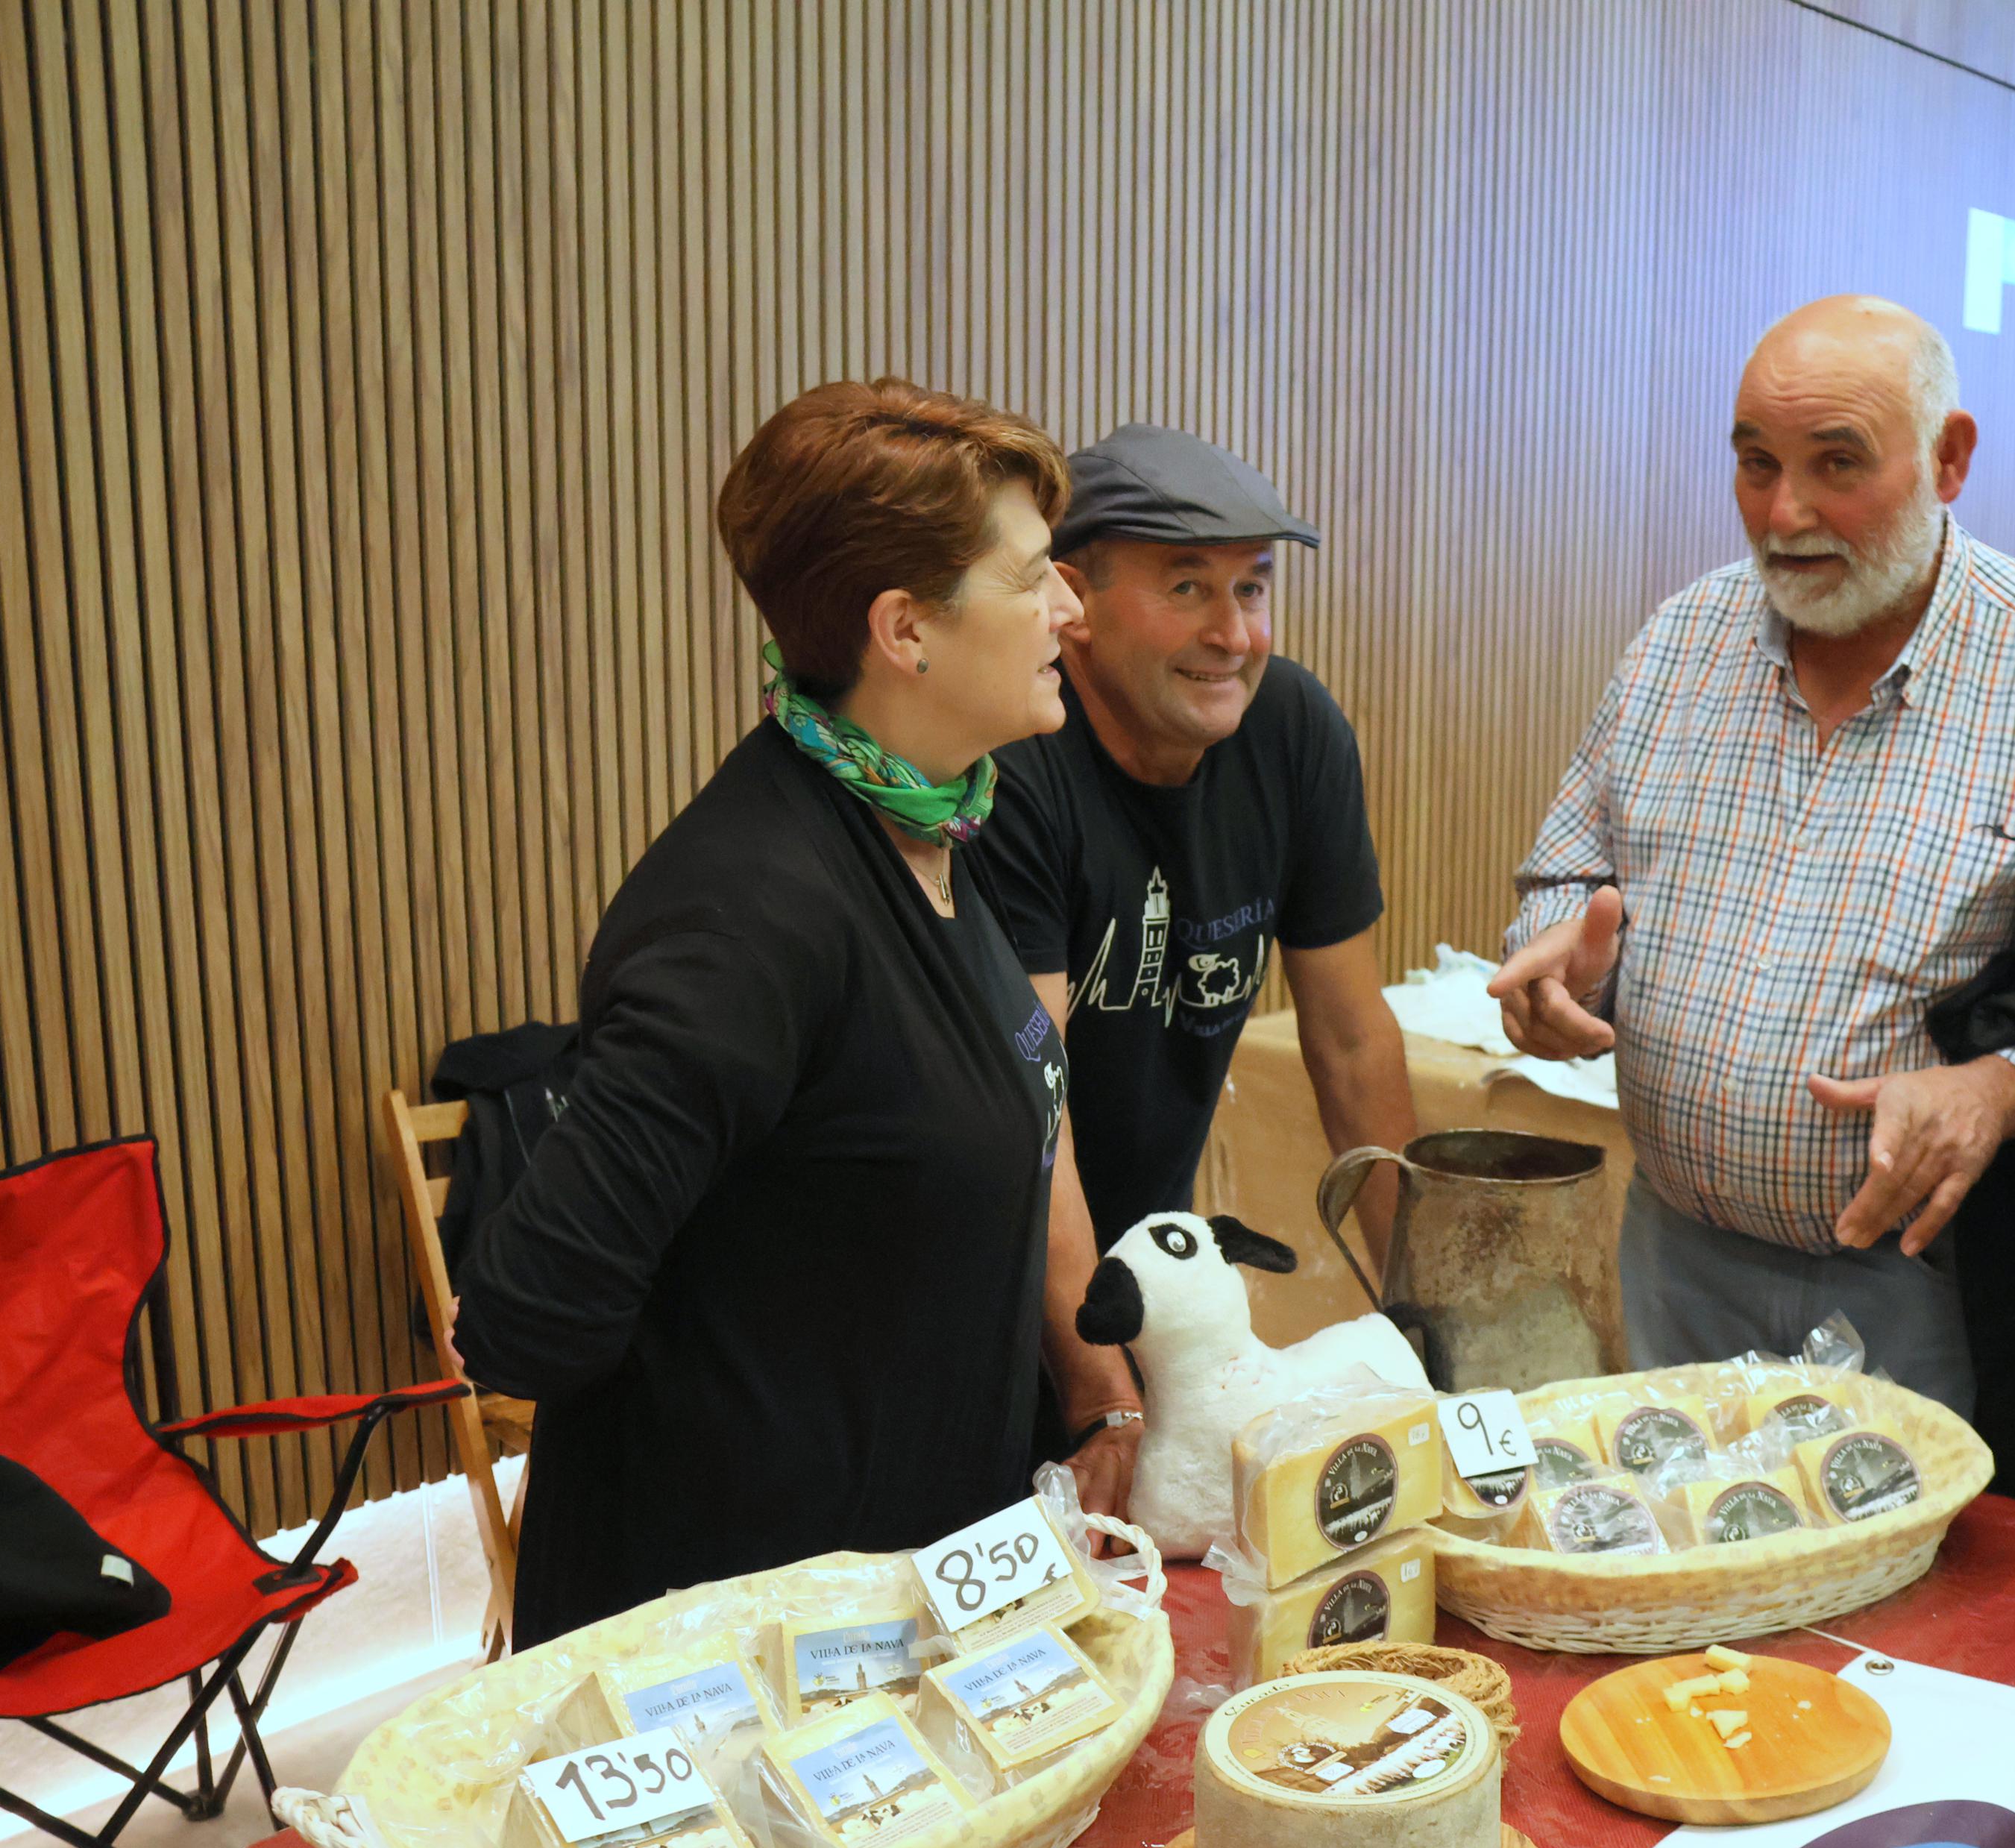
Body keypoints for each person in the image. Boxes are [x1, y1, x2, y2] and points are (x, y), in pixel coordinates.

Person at [1489, 295, 2015, 1418]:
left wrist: (2002, 1089)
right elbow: (1565, 875)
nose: (1784, 514)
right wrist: (1555, 962)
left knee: (1902, 1594)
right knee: (1685, 1574)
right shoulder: (1680, 643)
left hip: (1931, 1282)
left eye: (1837, 463)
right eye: (1754, 464)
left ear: (1949, 456)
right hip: (1677, 1255)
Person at [450, 380, 1084, 1646]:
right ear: (904, 630)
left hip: (905, 1601)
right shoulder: (751, 912)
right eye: (1032, 578)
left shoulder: (934, 831)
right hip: (746, 1652)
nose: (1071, 606)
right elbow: (531, 1314)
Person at [979, 425, 1416, 1509]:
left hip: (1153, 1279)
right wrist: (1105, 1393)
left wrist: (1424, 1317)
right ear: (1071, 603)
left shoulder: (1294, 730)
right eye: (1188, 587)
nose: (1234, 634)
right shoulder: (1014, 762)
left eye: (1252, 588)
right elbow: (1034, 1109)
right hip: (992, 1286)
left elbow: (1353, 1039)